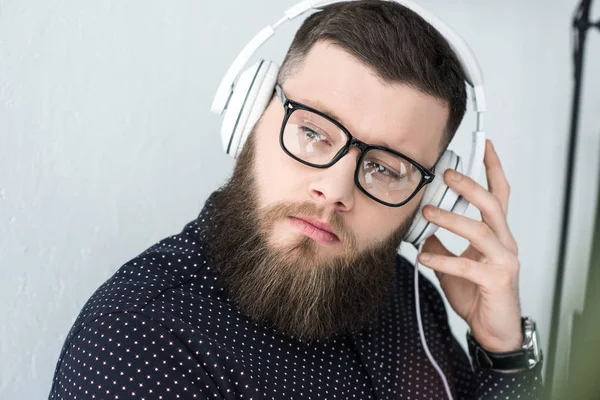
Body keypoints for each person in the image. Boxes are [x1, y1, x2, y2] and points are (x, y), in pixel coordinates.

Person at [49, 1, 544, 399]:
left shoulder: (410, 299)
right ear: (249, 116)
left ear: (428, 198)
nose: (334, 190)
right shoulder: (141, 343)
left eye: (385, 168)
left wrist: (503, 352)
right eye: (313, 132)